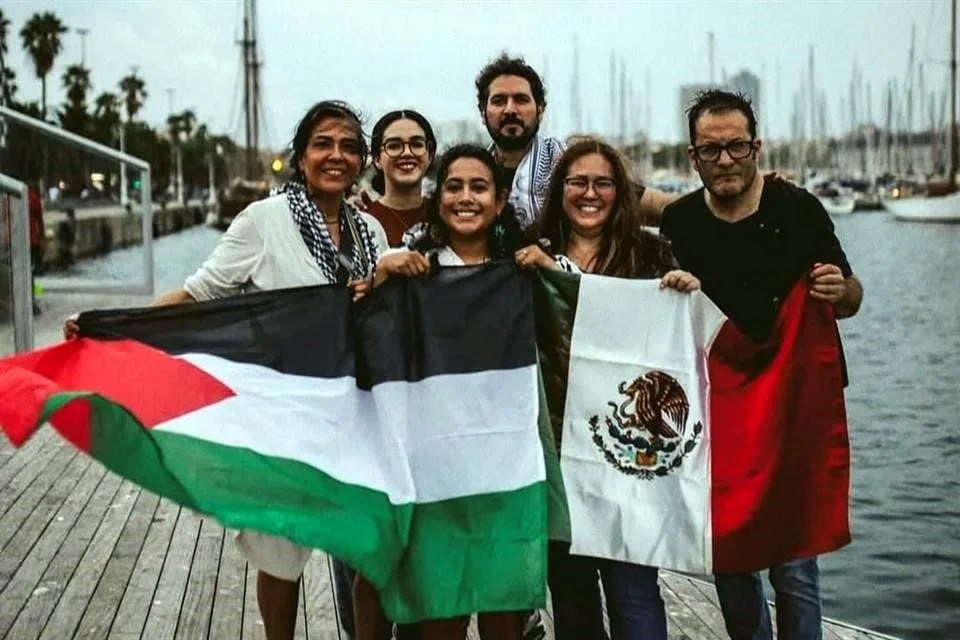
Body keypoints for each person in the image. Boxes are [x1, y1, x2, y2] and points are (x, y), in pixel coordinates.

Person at [65, 100, 389, 640]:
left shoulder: (371, 232)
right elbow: (201, 293)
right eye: (323, 144)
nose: (336, 155)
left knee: (372, 550)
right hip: (284, 416)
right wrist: (114, 327)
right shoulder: (265, 221)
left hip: (357, 414)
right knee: (280, 553)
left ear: (361, 161)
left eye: (349, 147)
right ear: (302, 157)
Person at [659, 89, 863, 640]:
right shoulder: (679, 221)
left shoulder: (799, 209)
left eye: (736, 146)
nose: (725, 159)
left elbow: (851, 297)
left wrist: (839, 289)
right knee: (730, 552)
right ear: (693, 157)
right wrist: (673, 286)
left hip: (794, 408)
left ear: (757, 147)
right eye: (711, 150)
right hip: (720, 412)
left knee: (794, 562)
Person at [515, 138, 698, 640]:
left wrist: (682, 289)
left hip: (627, 455)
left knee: (633, 590)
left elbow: (677, 346)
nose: (590, 193)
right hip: (557, 452)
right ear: (560, 190)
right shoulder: (532, 255)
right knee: (572, 593)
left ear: (621, 192)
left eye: (603, 183)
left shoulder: (650, 254)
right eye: (577, 182)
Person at [374, 144, 527, 640]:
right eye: (454, 187)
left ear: (499, 202)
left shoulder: (522, 270)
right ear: (437, 199)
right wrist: (379, 275)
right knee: (440, 614)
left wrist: (668, 285)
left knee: (502, 612)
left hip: (505, 469)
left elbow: (581, 303)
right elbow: (363, 329)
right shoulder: (415, 271)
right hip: (434, 470)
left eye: (479, 187)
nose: (465, 198)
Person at [475, 53, 676, 232]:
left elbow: (659, 205)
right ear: (483, 114)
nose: (510, 109)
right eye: (499, 101)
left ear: (540, 110)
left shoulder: (569, 164)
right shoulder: (471, 174)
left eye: (521, 99)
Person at [356, 109, 437, 246]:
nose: (407, 153)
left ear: (429, 155)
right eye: (394, 146)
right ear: (377, 159)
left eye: (417, 144)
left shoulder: (445, 216)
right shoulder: (361, 221)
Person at [27, 184, 44, 315]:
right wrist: (42, 238)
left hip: (17, 240)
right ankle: (32, 301)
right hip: (32, 240)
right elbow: (40, 219)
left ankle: (32, 300)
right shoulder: (33, 196)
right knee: (31, 272)